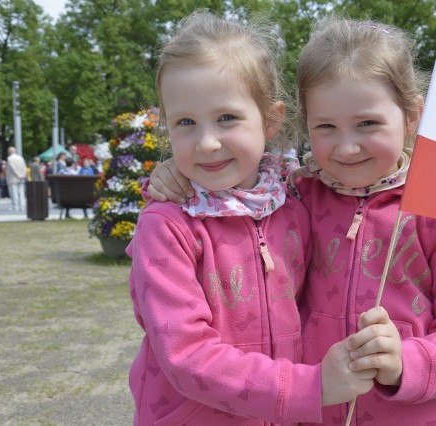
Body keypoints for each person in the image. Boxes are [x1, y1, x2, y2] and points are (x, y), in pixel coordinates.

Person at [146, 16, 436, 425]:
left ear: (412, 116)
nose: (347, 148)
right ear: (303, 123)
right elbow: (228, 189)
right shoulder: (295, 197)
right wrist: (168, 173)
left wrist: (408, 361)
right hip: (314, 412)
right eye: (326, 126)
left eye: (368, 123)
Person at [126, 12, 377, 426]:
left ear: (272, 119)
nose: (207, 143)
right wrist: (310, 388)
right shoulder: (167, 227)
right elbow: (186, 355)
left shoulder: (297, 199)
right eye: (185, 122)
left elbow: (371, 200)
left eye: (227, 118)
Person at [5, 146, 27, 211]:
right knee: (21, 192)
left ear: (9, 152)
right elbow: (24, 167)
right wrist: (23, 175)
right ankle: (22, 205)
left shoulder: (9, 158)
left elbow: (12, 168)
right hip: (21, 178)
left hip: (13, 178)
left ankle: (15, 206)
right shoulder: (21, 158)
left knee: (14, 193)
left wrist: (18, 175)